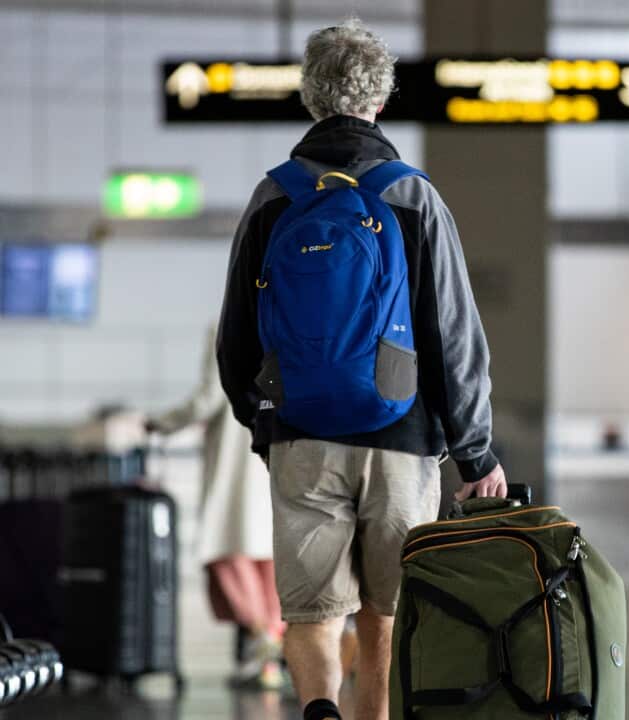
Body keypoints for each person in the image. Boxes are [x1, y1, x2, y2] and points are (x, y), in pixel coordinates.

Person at [217, 19, 505, 720]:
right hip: (402, 438)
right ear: (380, 100)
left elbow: (235, 338)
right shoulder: (412, 196)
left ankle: (319, 706)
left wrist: (263, 426)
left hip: (303, 435)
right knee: (386, 612)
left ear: (311, 99)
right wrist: (475, 452)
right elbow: (453, 334)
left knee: (312, 612)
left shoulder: (274, 196)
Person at [147, 325, 286, 690]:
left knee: (227, 550)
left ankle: (263, 640)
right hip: (275, 448)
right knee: (264, 558)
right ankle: (268, 654)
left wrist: (160, 423)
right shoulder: (284, 317)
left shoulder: (226, 324)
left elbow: (210, 396)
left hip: (235, 456)